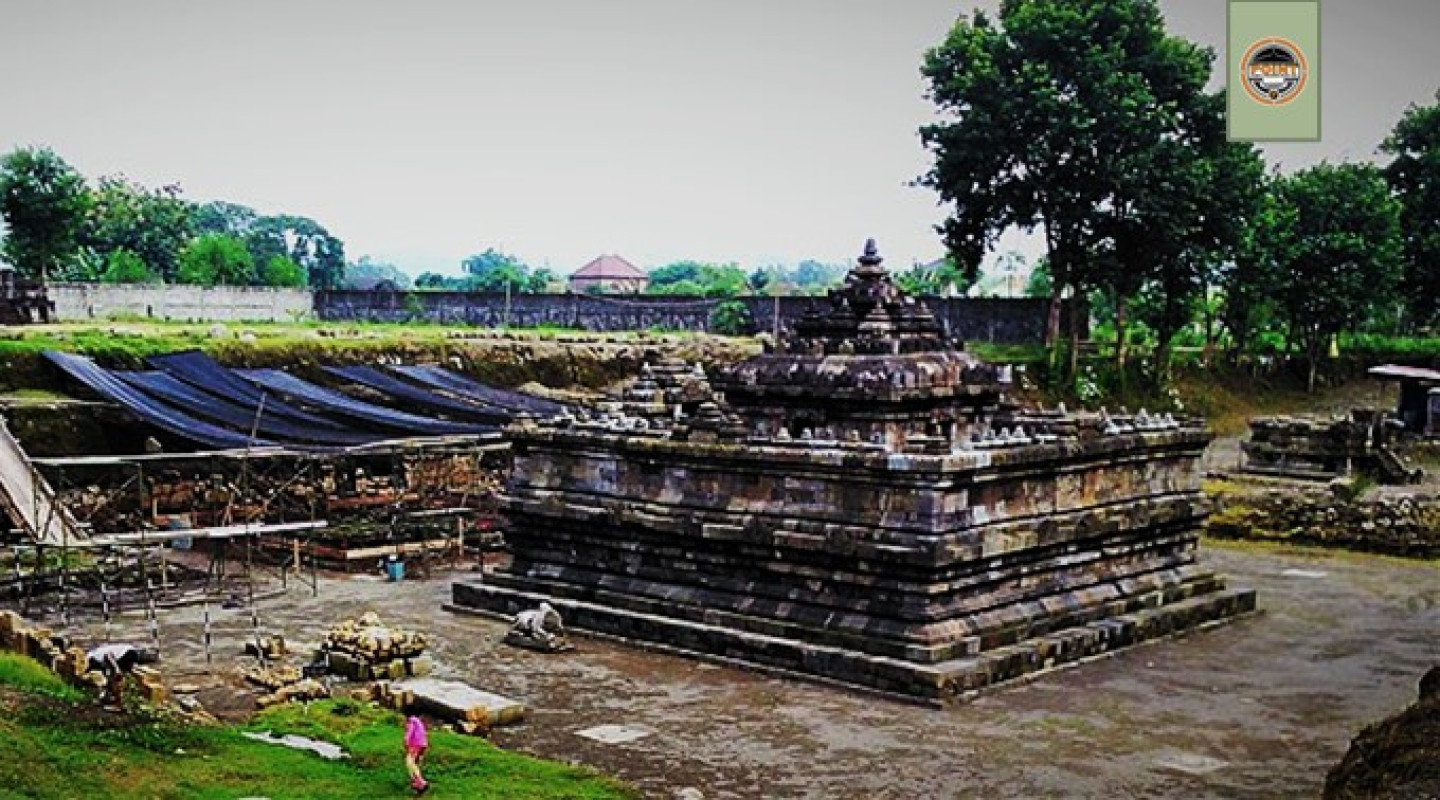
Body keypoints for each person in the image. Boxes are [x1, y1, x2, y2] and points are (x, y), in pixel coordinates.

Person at [404, 714, 429, 794]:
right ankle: (418, 783)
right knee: (412, 763)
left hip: (416, 744)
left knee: (410, 762)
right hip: (421, 744)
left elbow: (410, 732)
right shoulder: (419, 722)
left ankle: (421, 782)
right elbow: (423, 733)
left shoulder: (412, 721)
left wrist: (406, 740)